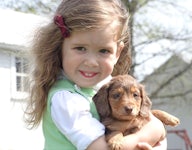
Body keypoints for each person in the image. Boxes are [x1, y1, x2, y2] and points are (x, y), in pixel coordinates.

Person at [24, 0, 167, 149]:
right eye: (80, 48)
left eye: (104, 51)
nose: (92, 62)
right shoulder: (66, 99)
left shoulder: (105, 86)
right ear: (59, 47)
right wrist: (154, 132)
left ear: (117, 52)